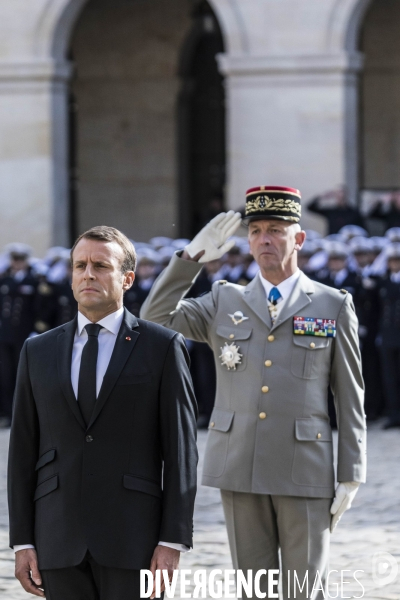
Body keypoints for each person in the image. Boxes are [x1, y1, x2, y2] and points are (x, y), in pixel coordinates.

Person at [141, 186, 366, 600]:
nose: (264, 239)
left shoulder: (332, 304)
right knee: (253, 591)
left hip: (305, 469)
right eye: (257, 230)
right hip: (240, 464)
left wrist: (351, 471)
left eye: (276, 230)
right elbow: (155, 318)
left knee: (305, 590)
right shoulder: (225, 299)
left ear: (298, 239)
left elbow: (350, 395)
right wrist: (191, 259)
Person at [8, 226, 198, 600]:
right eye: (80, 265)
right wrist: (22, 542)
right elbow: (22, 452)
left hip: (133, 539)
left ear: (127, 278)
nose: (88, 274)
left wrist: (172, 539)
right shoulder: (38, 351)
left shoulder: (161, 346)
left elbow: (181, 452)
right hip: (57, 538)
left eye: (100, 265)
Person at [0, 244, 50, 427]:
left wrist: (37, 328)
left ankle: (22, 415)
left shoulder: (33, 281)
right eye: (14, 259)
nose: (17, 263)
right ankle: (8, 413)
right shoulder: (5, 281)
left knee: (23, 375)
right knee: (6, 375)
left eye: (20, 259)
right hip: (5, 335)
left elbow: (39, 307)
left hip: (24, 334)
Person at [376, 243, 400, 429]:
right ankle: (393, 415)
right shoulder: (383, 281)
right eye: (391, 260)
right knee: (389, 378)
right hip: (388, 335)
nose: (394, 263)